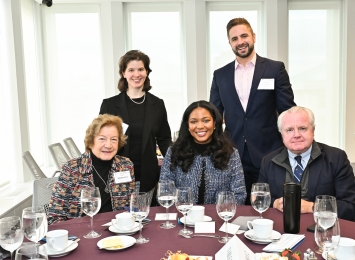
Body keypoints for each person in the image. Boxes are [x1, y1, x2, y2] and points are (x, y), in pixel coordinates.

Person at [210, 18, 296, 205]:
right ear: (230, 43)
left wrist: (293, 141)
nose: (240, 41)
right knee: (236, 207)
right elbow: (213, 115)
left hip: (269, 152)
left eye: (244, 36)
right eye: (234, 38)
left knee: (269, 205)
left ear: (253, 37)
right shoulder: (220, 75)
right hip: (232, 153)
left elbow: (287, 111)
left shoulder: (275, 69)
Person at [258, 106, 355, 221]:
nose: (296, 135)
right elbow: (260, 200)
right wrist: (274, 203)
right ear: (281, 134)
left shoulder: (336, 158)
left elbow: (352, 207)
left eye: (302, 128)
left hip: (323, 230)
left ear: (313, 130)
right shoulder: (268, 161)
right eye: (289, 130)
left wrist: (313, 207)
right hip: (281, 231)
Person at [99, 50, 171, 203]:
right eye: (131, 70)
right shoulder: (110, 105)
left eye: (140, 69)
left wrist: (177, 161)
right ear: (123, 73)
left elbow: (164, 139)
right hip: (116, 176)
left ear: (146, 72)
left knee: (145, 220)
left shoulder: (157, 104)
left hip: (147, 176)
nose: (136, 74)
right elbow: (99, 140)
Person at [47, 114, 135, 225]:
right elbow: (54, 217)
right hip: (82, 232)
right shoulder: (73, 169)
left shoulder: (125, 166)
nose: (108, 145)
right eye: (102, 139)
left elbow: (129, 207)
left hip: (117, 230)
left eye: (114, 139)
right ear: (91, 141)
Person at [159, 100, 246, 205]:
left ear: (215, 123)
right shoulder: (174, 151)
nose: (200, 126)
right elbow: (164, 192)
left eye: (206, 120)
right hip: (183, 216)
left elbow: (239, 195)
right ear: (187, 125)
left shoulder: (231, 153)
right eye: (193, 121)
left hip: (218, 217)